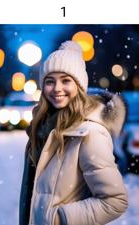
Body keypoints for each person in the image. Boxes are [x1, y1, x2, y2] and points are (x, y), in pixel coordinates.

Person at [19, 40, 128, 225]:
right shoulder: (42, 127)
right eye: (50, 81)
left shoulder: (90, 133)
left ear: (79, 86)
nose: (57, 89)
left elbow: (115, 201)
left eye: (66, 80)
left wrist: (59, 218)